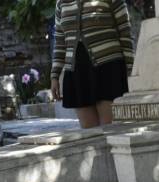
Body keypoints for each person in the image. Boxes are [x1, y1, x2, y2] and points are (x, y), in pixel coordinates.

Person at [50, 0, 134, 128]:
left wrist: (130, 70)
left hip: (108, 70)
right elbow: (60, 41)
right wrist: (54, 75)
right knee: (89, 135)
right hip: (77, 72)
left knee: (111, 129)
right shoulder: (61, 3)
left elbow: (125, 33)